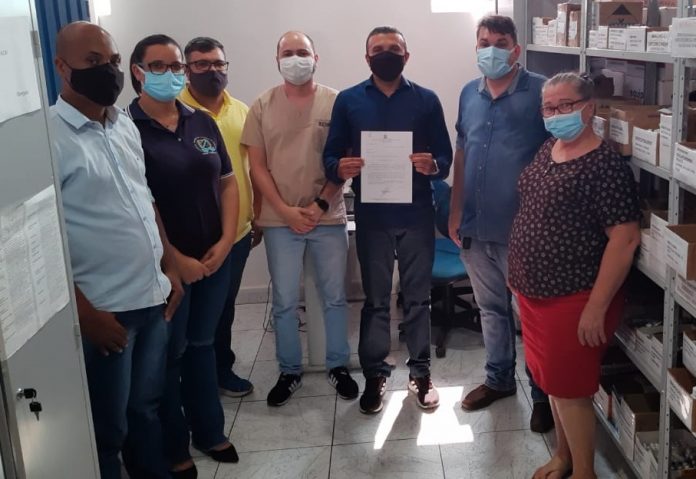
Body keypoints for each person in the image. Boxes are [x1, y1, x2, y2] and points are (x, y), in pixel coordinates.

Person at [50, 21, 183, 479]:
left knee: (145, 408)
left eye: (111, 61)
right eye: (92, 62)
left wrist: (169, 266)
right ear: (61, 66)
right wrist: (84, 312)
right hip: (105, 311)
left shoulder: (123, 124)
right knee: (107, 428)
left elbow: (144, 199)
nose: (107, 70)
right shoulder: (46, 139)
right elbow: (40, 240)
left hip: (152, 297)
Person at [509, 72, 641, 479]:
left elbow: (625, 239)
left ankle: (585, 472)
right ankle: (564, 458)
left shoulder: (604, 165)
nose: (555, 114)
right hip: (535, 294)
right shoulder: (549, 148)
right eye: (548, 107)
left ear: (589, 108)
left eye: (565, 105)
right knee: (553, 383)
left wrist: (596, 308)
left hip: (574, 297)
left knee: (570, 390)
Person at [127, 34, 240, 478]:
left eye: (175, 66)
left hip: (215, 256)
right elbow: (142, 202)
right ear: (138, 72)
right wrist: (174, 260)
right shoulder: (126, 128)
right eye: (158, 66)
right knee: (169, 356)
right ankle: (175, 445)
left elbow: (227, 182)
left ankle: (209, 430)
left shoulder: (200, 121)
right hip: (165, 267)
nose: (170, 74)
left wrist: (226, 240)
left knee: (202, 345)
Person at [323, 26, 452, 414]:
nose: (386, 54)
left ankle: (421, 373)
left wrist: (433, 165)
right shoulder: (348, 101)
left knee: (418, 299)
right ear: (367, 58)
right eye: (378, 49)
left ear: (406, 56)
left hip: (416, 213)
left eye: (393, 48)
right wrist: (340, 166)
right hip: (373, 215)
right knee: (376, 300)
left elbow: (444, 157)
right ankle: (376, 375)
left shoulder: (426, 100)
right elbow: (330, 157)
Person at [448, 15, 554, 431]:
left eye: (500, 42)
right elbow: (461, 152)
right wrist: (455, 211)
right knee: (491, 310)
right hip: (476, 227)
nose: (490, 49)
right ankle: (499, 380)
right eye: (483, 42)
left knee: (530, 315)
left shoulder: (541, 91)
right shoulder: (467, 93)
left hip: (524, 230)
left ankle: (543, 395)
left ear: (516, 49)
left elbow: (558, 155)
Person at [242, 31, 358, 407]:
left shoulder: (337, 102)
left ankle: (338, 365)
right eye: (288, 53)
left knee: (335, 297)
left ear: (315, 57)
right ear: (277, 60)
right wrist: (284, 210)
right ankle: (289, 370)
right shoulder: (262, 105)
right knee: (285, 301)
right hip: (280, 220)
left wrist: (321, 205)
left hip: (328, 215)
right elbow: (257, 167)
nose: (296, 59)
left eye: (302, 52)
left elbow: (346, 162)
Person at [180, 36, 259, 398]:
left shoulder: (242, 111)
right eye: (201, 64)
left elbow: (250, 168)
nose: (211, 70)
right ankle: (188, 378)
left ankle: (221, 369)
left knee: (225, 306)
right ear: (187, 70)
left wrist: (256, 215)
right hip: (188, 238)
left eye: (218, 64)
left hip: (237, 233)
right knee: (188, 313)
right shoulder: (174, 111)